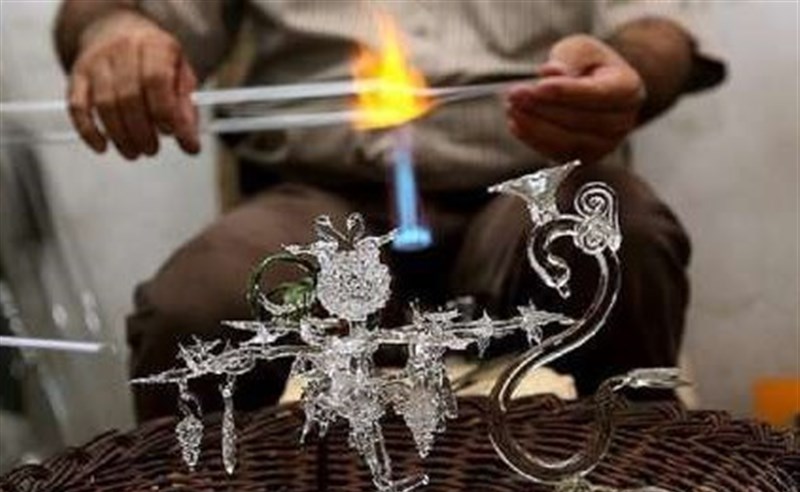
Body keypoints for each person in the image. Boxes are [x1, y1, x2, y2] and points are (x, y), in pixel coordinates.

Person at [54, 0, 724, 422]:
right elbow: (112, 10)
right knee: (194, 307)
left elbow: (659, 25)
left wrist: (629, 66)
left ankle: (648, 489)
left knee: (619, 235)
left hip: (531, 185)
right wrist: (116, 30)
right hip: (322, 202)